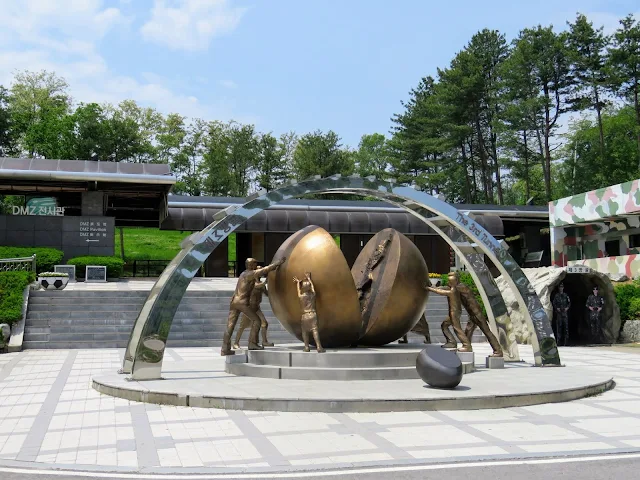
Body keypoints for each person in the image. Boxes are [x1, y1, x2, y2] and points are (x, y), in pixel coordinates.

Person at [221, 256, 285, 356]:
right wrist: (278, 263)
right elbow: (264, 270)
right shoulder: (250, 274)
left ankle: (225, 348)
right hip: (242, 303)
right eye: (255, 264)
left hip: (234, 302)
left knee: (230, 325)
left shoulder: (243, 273)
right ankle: (252, 343)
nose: (256, 265)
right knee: (257, 321)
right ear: (251, 265)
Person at [424, 271, 472, 352]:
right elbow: (442, 288)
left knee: (457, 329)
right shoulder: (453, 288)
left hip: (454, 312)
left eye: (450, 281)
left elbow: (442, 292)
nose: (448, 283)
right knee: (444, 325)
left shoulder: (453, 291)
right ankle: (451, 342)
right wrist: (433, 287)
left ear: (454, 282)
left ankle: (467, 345)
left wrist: (429, 289)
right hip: (454, 312)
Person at [232, 280, 274, 349]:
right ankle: (236, 343)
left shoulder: (261, 285)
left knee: (264, 323)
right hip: (249, 307)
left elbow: (267, 294)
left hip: (257, 308)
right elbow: (256, 286)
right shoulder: (251, 282)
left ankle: (264, 341)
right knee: (243, 326)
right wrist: (265, 282)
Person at [293, 272, 325, 353]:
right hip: (313, 314)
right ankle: (319, 347)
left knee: (304, 331)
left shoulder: (301, 297)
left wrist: (298, 283)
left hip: (304, 315)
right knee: (315, 330)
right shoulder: (313, 295)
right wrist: (309, 279)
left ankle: (306, 347)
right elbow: (313, 288)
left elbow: (298, 290)